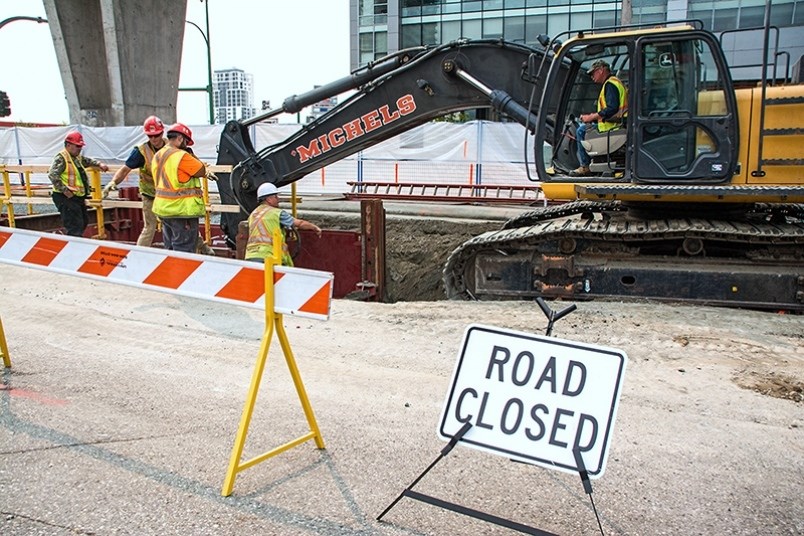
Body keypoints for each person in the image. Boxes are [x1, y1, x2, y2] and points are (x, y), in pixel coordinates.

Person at [102, 115, 165, 246]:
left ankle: (201, 247)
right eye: (150, 136)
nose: (153, 139)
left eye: (156, 135)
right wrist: (113, 182)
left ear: (162, 132)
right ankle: (139, 255)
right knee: (149, 227)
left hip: (169, 195)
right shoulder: (141, 152)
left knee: (177, 224)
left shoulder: (171, 147)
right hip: (150, 195)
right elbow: (125, 169)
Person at [151, 123, 208, 252]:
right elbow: (201, 170)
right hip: (181, 210)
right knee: (184, 248)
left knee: (170, 247)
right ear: (180, 139)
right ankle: (182, 271)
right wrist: (190, 154)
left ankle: (170, 271)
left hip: (164, 209)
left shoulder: (158, 155)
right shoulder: (181, 156)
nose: (186, 145)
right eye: (186, 142)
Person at [572, 59, 628, 176]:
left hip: (613, 128)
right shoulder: (615, 82)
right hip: (617, 125)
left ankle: (585, 166)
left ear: (601, 70)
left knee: (581, 131)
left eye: (593, 73)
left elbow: (612, 108)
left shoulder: (610, 84)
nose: (592, 77)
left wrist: (591, 117)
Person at [48, 131, 109, 236]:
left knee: (83, 222)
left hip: (76, 196)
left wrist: (99, 164)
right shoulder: (62, 158)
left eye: (80, 146)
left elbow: (87, 160)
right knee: (75, 226)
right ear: (68, 145)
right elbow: (53, 175)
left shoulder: (76, 157)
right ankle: (73, 248)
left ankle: (75, 245)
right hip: (65, 196)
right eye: (77, 146)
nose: (80, 148)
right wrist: (66, 191)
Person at [245, 182, 321, 266]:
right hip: (269, 256)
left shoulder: (253, 214)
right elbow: (299, 223)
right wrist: (314, 227)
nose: (278, 199)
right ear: (269, 199)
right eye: (276, 197)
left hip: (250, 256)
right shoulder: (276, 213)